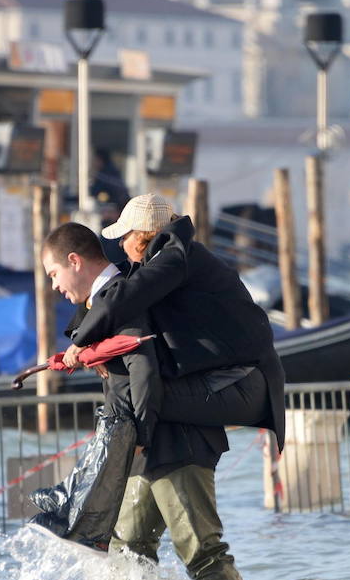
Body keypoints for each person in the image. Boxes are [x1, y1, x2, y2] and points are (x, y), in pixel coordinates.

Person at [41, 222, 250, 580]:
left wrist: (140, 435)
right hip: (144, 445)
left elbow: (145, 370)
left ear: (74, 261)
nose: (54, 286)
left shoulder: (123, 294)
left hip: (176, 442)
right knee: (127, 553)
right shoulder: (104, 301)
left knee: (202, 552)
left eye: (54, 274)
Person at [63, 193, 286, 454]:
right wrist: (83, 334)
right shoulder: (162, 260)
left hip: (243, 382)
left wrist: (82, 343)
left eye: (125, 236)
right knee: (135, 393)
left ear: (142, 234)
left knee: (137, 395)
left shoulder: (176, 258)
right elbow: (113, 286)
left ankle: (131, 450)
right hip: (224, 378)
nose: (121, 244)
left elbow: (123, 298)